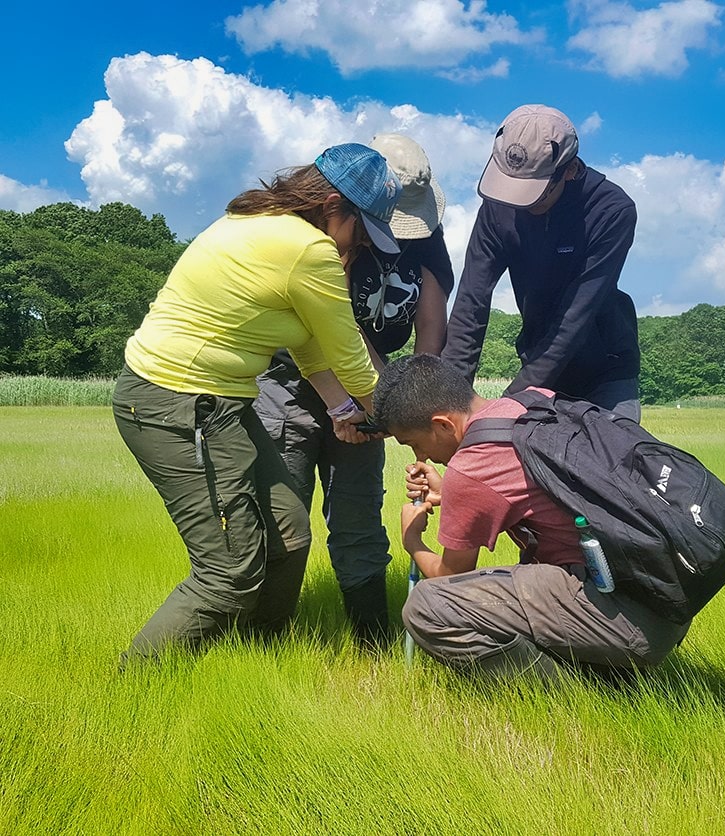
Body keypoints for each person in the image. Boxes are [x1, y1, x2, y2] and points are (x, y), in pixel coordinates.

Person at [112, 144, 402, 662]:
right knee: (228, 574)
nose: (359, 246)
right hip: (176, 403)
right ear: (333, 205)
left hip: (220, 404)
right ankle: (130, 692)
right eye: (362, 230)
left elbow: (308, 344)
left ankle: (259, 658)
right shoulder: (307, 249)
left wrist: (342, 412)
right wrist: (410, 423)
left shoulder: (254, 218)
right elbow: (354, 363)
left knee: (288, 536)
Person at [373, 354, 689, 679]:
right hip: (664, 594)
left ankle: (588, 690)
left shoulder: (472, 467)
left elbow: (448, 576)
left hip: (627, 619)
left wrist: (412, 540)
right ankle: (607, 663)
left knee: (428, 607)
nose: (420, 456)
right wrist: (449, 492)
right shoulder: (531, 403)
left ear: (442, 424)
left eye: (413, 443)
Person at [253, 134, 454, 644]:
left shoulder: (429, 239)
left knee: (358, 515)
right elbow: (333, 328)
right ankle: (262, 638)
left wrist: (416, 411)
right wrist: (373, 401)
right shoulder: (335, 229)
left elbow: (431, 330)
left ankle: (371, 640)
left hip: (372, 391)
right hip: (295, 382)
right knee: (283, 512)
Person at [442, 104, 642, 423]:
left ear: (571, 170)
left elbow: (573, 319)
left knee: (607, 467)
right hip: (537, 357)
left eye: (533, 192)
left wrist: (506, 406)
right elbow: (471, 302)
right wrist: (450, 399)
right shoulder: (498, 205)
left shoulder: (611, 211)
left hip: (604, 370)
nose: (518, 202)